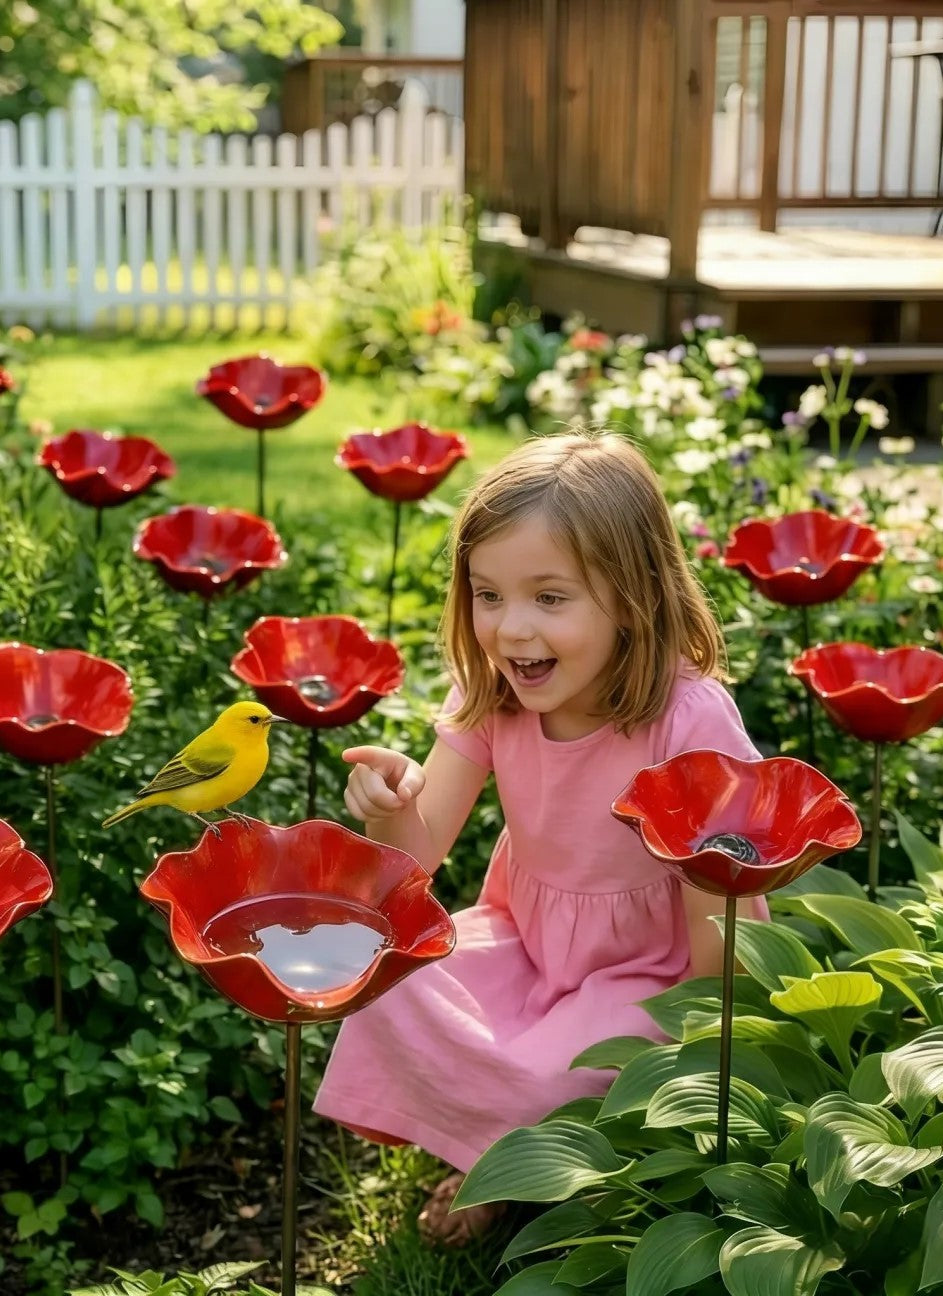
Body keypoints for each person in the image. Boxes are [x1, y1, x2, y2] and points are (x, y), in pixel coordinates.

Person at [313, 430, 767, 1245]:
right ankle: (501, 1155)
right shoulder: (491, 692)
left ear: (633, 596)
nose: (511, 629)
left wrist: (706, 1045)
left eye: (550, 598)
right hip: (527, 946)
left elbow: (724, 919)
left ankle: (532, 1169)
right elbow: (414, 862)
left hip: (649, 973)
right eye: (488, 595)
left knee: (560, 1069)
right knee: (387, 978)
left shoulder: (688, 718)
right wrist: (389, 805)